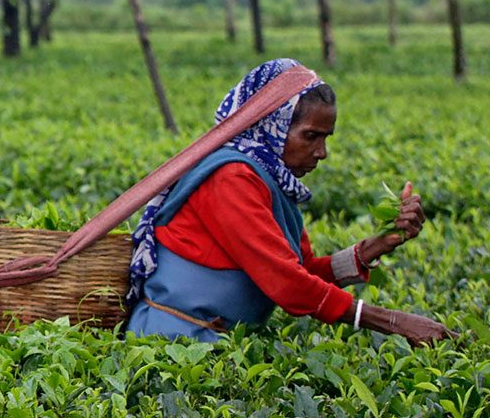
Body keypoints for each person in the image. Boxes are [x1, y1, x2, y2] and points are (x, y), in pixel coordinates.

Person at [126, 58, 449, 344]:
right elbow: (287, 284)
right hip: (173, 345)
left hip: (217, 344)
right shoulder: (230, 178)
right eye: (310, 136)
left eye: (325, 139)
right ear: (272, 127)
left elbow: (303, 272)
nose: (321, 153)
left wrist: (377, 245)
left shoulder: (269, 182)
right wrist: (392, 321)